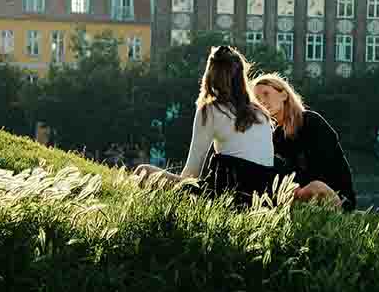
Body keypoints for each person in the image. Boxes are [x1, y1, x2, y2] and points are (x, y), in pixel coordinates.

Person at [133, 46, 278, 203]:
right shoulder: (261, 114)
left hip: (225, 199)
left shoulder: (211, 110)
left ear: (211, 74)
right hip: (262, 201)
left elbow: (192, 172)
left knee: (143, 172)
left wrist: (178, 194)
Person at [251, 73, 357, 212]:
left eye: (266, 94)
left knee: (315, 186)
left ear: (284, 95)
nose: (262, 101)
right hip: (302, 197)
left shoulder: (311, 121)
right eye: (257, 99)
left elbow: (327, 166)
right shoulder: (275, 137)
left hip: (334, 194)